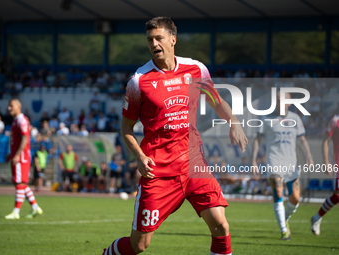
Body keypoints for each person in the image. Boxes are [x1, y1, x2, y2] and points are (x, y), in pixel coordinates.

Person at [101, 17, 247, 255]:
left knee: (221, 225)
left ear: (172, 39)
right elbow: (126, 129)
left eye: (159, 38)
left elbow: (216, 101)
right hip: (159, 172)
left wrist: (234, 122)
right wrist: (139, 156)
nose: (154, 44)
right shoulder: (139, 81)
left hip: (193, 164)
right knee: (139, 245)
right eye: (150, 39)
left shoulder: (196, 69)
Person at [251, 91, 314, 240]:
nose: (279, 102)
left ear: (289, 102)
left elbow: (302, 139)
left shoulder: (296, 119)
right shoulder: (266, 119)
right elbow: (257, 139)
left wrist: (309, 156)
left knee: (295, 199)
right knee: (278, 193)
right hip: (274, 161)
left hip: (291, 164)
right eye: (277, 99)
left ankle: (284, 219)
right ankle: (284, 230)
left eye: (282, 99)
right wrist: (253, 160)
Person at [5, 98, 43, 219]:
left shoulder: (22, 120)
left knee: (20, 183)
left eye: (11, 106)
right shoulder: (16, 120)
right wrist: (11, 154)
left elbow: (25, 139)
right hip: (18, 155)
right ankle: (35, 207)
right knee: (20, 184)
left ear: (18, 106)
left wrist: (16, 154)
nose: (9, 108)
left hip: (22, 157)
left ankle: (16, 212)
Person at [311, 114, 339, 235]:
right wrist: (326, 162)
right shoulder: (335, 121)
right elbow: (325, 141)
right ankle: (317, 217)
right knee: (337, 196)